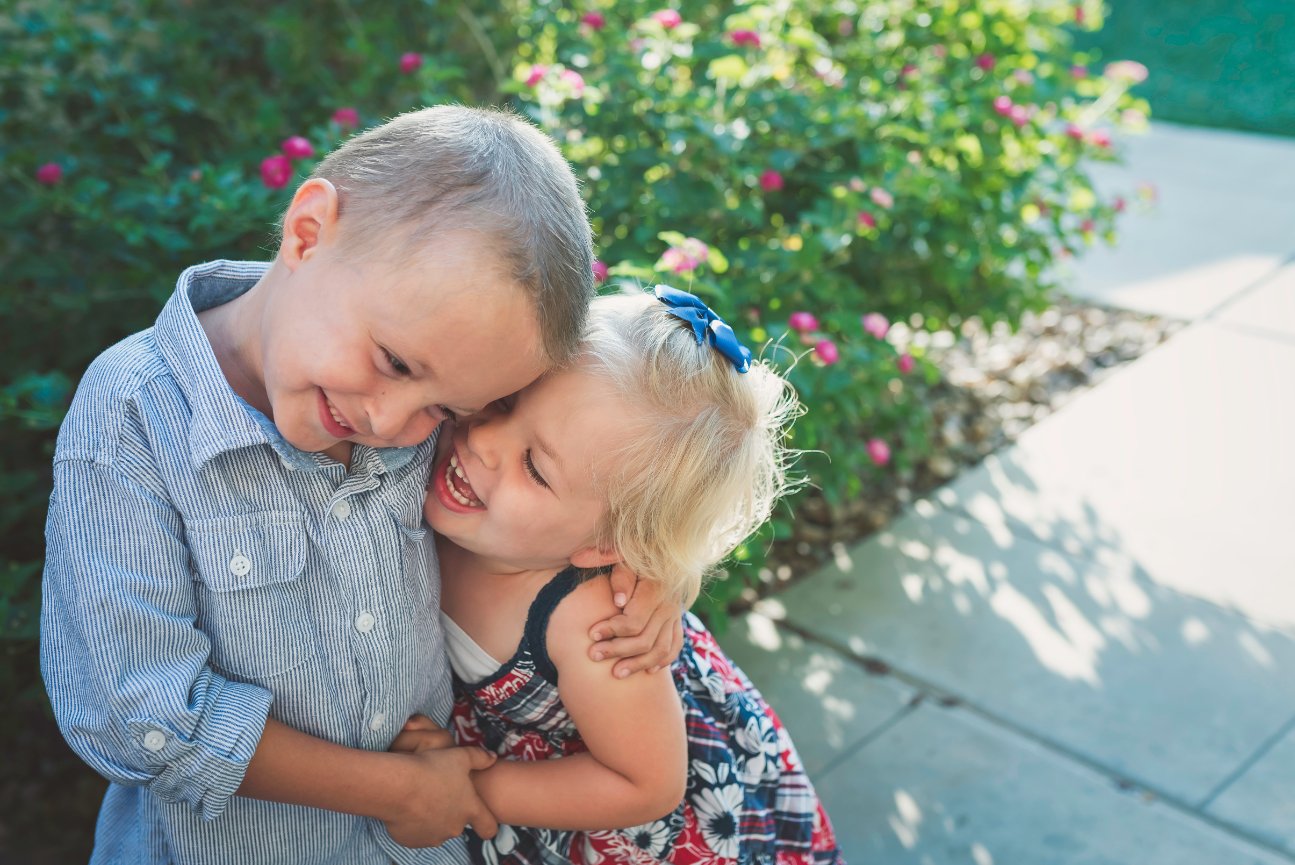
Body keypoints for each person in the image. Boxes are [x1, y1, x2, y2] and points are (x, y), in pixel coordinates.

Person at [40, 105, 678, 865]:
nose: (390, 421)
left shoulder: (424, 373)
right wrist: (398, 790)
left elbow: (582, 474)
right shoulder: (133, 420)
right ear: (308, 231)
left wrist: (645, 568)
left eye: (444, 409)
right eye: (394, 364)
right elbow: (139, 715)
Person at [395, 286, 843, 865]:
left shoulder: (594, 624)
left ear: (606, 547)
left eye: (535, 467)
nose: (481, 441)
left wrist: (469, 789)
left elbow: (646, 784)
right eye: (505, 403)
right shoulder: (467, 478)